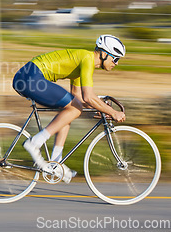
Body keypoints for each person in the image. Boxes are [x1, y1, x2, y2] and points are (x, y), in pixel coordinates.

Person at [12, 35, 126, 183]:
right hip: (31, 78)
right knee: (74, 109)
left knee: (71, 109)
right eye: (115, 59)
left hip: (29, 77)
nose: (116, 63)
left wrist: (100, 107)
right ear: (104, 54)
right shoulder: (87, 59)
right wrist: (112, 112)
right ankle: (35, 142)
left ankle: (55, 162)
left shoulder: (84, 63)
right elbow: (89, 97)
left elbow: (78, 96)